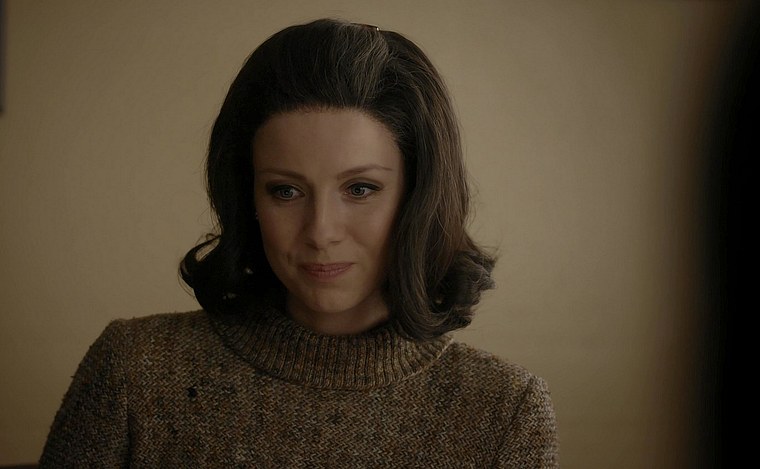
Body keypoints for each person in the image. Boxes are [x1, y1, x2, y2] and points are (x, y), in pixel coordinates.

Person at [40, 18, 558, 467]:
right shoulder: (135, 371)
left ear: (418, 197)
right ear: (247, 197)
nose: (320, 231)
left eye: (360, 189)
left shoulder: (504, 410)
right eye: (285, 191)